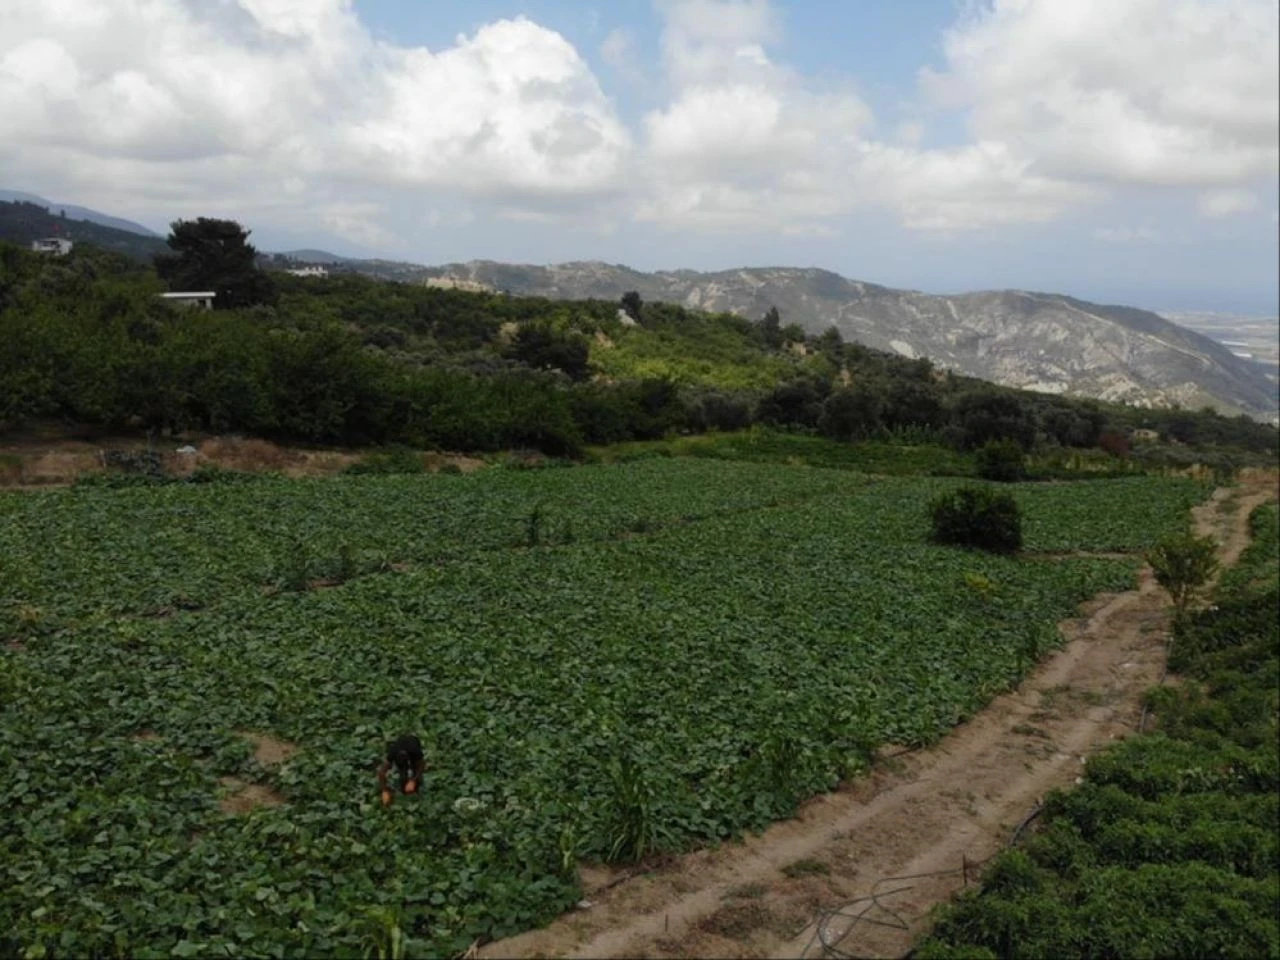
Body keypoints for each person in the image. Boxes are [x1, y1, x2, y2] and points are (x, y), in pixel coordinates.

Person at [378, 734, 424, 804]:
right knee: (403, 778)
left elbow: (421, 765)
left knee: (416, 776)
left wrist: (413, 780)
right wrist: (384, 790)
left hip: (413, 746)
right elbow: (381, 772)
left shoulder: (414, 750)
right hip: (399, 753)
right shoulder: (393, 752)